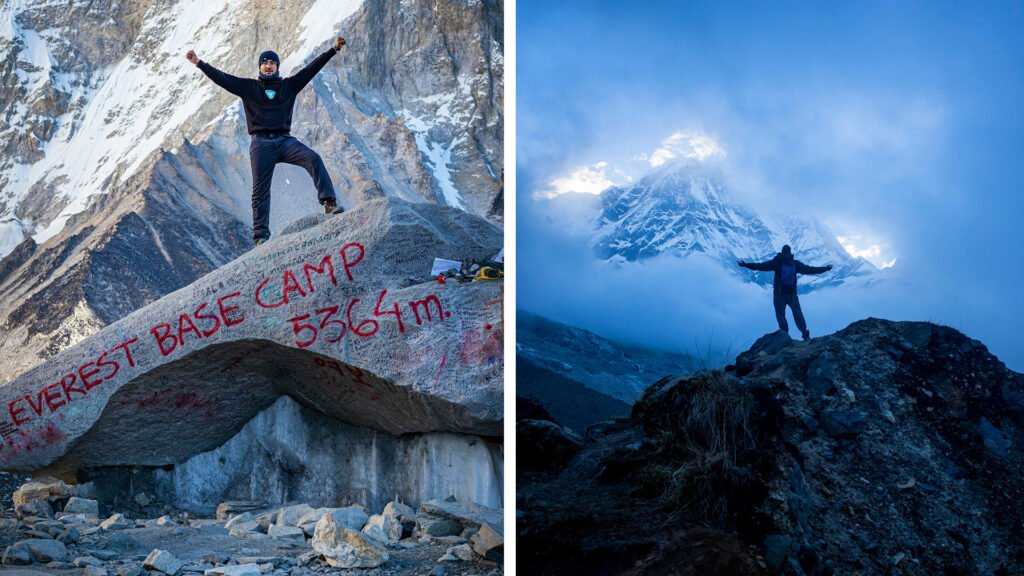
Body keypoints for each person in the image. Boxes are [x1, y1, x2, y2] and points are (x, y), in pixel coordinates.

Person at [186, 37, 347, 246]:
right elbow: (222, 78)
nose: (268, 66)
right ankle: (261, 235)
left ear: (277, 67)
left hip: (285, 141)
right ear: (260, 66)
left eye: (272, 63)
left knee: (313, 158)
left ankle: (329, 203)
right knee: (260, 190)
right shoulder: (248, 87)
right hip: (261, 144)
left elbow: (311, 69)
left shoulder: (289, 86)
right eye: (265, 63)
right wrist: (199, 63)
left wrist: (333, 50)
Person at [738, 245, 832, 341]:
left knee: (780, 315)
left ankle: (785, 336)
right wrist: (825, 268)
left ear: (782, 252)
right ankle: (805, 335)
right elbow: (811, 270)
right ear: (790, 252)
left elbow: (761, 266)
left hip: (778, 295)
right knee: (798, 314)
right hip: (792, 294)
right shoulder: (796, 264)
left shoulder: (776, 263)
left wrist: (746, 264)